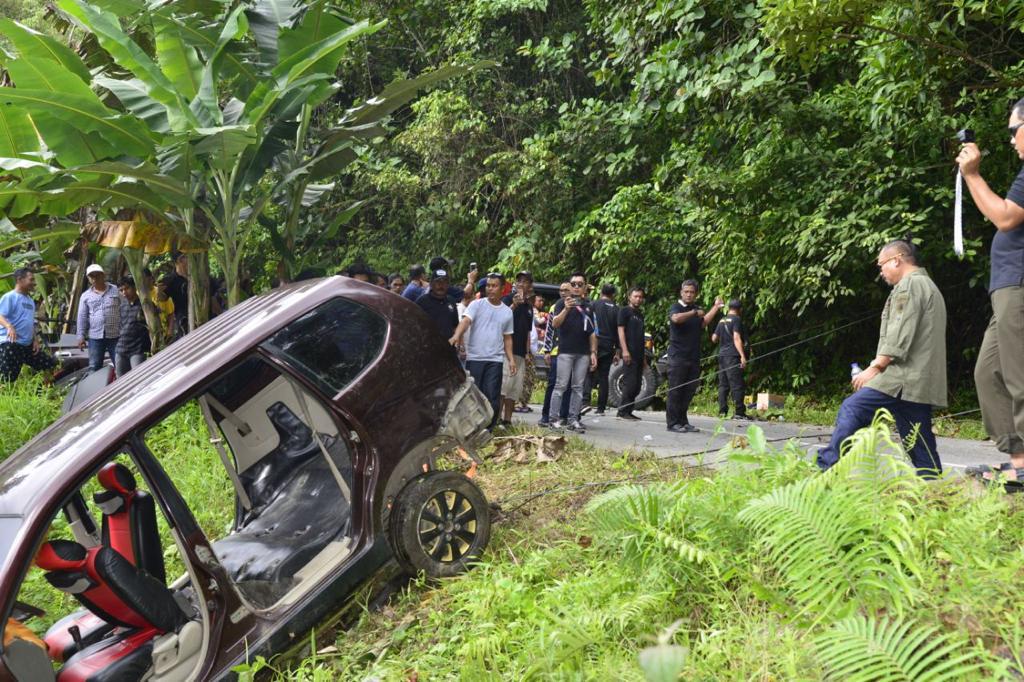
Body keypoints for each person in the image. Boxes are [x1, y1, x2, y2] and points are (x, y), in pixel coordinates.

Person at [817, 241, 946, 476]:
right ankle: (935, 488)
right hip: (919, 382)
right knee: (918, 440)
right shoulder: (929, 286)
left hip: (901, 378)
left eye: (882, 265)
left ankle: (826, 470)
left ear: (896, 259)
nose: (881, 272)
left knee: (852, 409)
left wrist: (875, 367)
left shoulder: (910, 286)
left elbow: (900, 333)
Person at [957, 99, 1024, 482]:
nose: (1012, 140)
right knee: (989, 372)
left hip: (1018, 286)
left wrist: (972, 175)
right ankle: (1018, 460)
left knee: (1018, 376)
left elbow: (1004, 216)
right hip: (1006, 288)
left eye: (1014, 130)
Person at [449, 273, 515, 430]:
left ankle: (488, 429)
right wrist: (456, 336)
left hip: (495, 359)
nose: (490, 289)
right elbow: (465, 321)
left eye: (494, 286)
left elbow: (507, 338)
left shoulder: (507, 312)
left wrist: (511, 359)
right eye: (488, 286)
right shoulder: (476, 305)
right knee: (474, 396)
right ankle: (470, 429)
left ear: (502, 288)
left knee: (492, 395)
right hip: (476, 358)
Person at [666, 280, 723, 433]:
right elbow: (676, 319)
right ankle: (672, 423)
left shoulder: (696, 309)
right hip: (678, 357)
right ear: (681, 292)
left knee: (689, 390)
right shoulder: (676, 307)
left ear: (696, 294)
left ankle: (683, 421)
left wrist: (716, 307)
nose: (689, 294)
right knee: (676, 390)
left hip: (693, 356)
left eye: (692, 292)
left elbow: (703, 323)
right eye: (686, 291)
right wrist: (693, 313)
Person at [548, 272, 598, 433]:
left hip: (583, 352)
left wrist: (593, 352)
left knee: (578, 387)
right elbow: (555, 324)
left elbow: (592, 332)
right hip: (566, 351)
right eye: (573, 284)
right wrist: (566, 309)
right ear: (569, 286)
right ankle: (553, 419)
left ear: (584, 287)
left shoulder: (589, 306)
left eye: (580, 284)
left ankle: (573, 419)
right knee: (561, 385)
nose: (576, 287)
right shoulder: (561, 303)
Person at [0, 268, 56, 382]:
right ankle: (7, 398)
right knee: (7, 378)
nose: (34, 283)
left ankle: (46, 391)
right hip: (11, 343)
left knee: (49, 364)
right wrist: (9, 327)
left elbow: (30, 322)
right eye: (31, 279)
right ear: (20, 280)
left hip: (27, 344)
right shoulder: (10, 297)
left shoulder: (30, 301)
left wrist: (35, 339)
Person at [500, 271, 534, 425]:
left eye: (525, 281)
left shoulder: (529, 307)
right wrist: (514, 305)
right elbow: (500, 320)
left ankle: (507, 421)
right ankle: (497, 419)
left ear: (529, 286)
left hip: (520, 351)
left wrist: (527, 352)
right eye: (519, 280)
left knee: (514, 389)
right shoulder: (507, 299)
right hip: (505, 351)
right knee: (503, 387)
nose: (521, 284)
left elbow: (528, 331)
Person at [76, 264, 125, 372]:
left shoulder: (115, 290)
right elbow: (82, 317)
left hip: (115, 335)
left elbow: (124, 308)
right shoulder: (85, 296)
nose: (94, 278)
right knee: (94, 366)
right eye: (91, 276)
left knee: (120, 364)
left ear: (103, 275)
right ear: (88, 279)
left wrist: (125, 329)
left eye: (97, 275)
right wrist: (81, 336)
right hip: (95, 337)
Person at [538, 285, 571, 427]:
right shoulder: (555, 307)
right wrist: (546, 351)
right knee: (553, 385)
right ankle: (546, 416)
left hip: (572, 351)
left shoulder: (578, 307)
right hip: (556, 352)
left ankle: (564, 416)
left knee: (569, 385)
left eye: (566, 290)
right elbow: (549, 330)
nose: (563, 293)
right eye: (561, 290)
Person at [712, 299, 750, 420]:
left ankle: (722, 411)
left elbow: (714, 338)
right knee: (736, 384)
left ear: (729, 308)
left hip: (722, 356)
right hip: (732, 356)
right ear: (740, 310)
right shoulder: (737, 320)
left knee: (723, 385)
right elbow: (737, 338)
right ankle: (739, 412)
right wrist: (743, 356)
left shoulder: (722, 320)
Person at [616, 287, 646, 422]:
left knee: (638, 385)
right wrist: (625, 351)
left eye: (640, 297)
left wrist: (644, 356)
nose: (638, 299)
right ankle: (622, 411)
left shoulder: (640, 314)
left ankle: (629, 410)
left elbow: (641, 336)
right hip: (629, 352)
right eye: (635, 296)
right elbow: (621, 331)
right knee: (630, 383)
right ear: (629, 297)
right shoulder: (624, 311)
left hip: (639, 353)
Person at [592, 283, 620, 416]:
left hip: (594, 343)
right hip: (609, 346)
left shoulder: (594, 304)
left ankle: (584, 402)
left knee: (587, 372)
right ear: (613, 294)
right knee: (604, 377)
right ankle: (600, 408)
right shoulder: (616, 309)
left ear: (601, 292)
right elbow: (619, 331)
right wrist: (618, 350)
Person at [115, 277, 149, 377]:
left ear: (134, 287)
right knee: (121, 382)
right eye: (121, 290)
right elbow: (120, 327)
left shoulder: (145, 305)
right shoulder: (122, 306)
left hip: (138, 350)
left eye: (127, 288)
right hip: (121, 350)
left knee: (138, 380)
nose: (124, 292)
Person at [416, 268, 460, 340]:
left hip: (449, 347)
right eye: (438, 282)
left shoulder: (451, 301)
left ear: (448, 284)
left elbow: (455, 325)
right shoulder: (422, 302)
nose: (441, 285)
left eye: (444, 282)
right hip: (429, 347)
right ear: (431, 284)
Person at [165, 252, 189, 338]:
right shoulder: (170, 281)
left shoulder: (197, 277)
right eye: (185, 257)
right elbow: (162, 298)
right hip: (183, 322)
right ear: (180, 260)